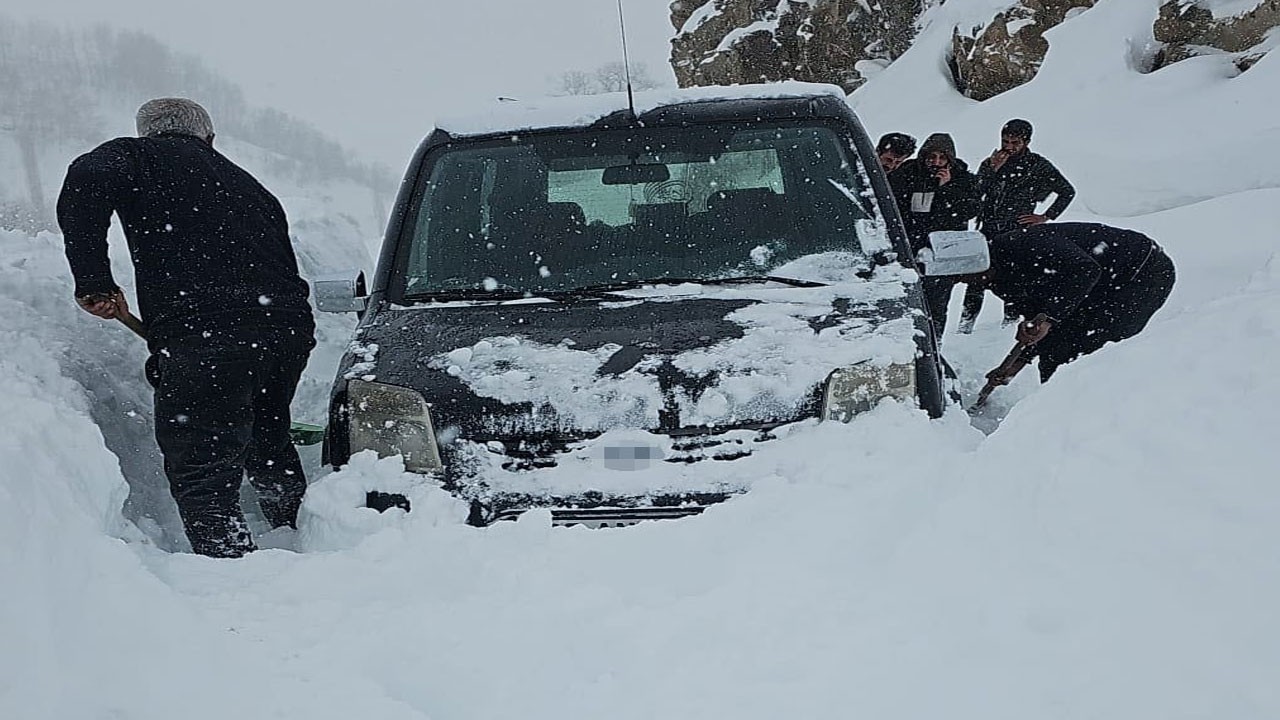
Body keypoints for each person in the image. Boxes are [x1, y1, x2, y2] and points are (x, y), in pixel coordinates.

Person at [57, 98, 316, 558]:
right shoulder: (249, 184)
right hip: (286, 329)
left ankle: (230, 564)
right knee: (266, 434)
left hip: (209, 332)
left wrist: (93, 280)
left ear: (146, 133)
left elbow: (85, 180)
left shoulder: (138, 156)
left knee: (201, 458)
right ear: (209, 138)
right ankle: (300, 529)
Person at [969, 222, 1175, 385]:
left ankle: (1090, 414)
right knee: (1056, 352)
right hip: (1096, 284)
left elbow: (1085, 270)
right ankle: (1055, 410)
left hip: (1141, 271)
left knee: (1097, 350)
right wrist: (1018, 361)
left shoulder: (1023, 244)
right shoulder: (998, 280)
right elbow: (1039, 320)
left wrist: (1049, 319)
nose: (964, 282)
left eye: (964, 276)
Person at [959, 118, 1077, 333]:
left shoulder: (1038, 165)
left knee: (1014, 279)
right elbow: (975, 194)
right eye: (1006, 141)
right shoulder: (992, 162)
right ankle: (965, 326)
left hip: (1018, 231)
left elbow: (1067, 191)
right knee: (977, 277)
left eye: (1015, 143)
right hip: (988, 228)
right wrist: (990, 171)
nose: (1009, 147)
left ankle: (1009, 325)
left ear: (1027, 142)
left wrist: (1045, 216)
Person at [889, 132, 980, 336]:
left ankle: (934, 346)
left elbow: (970, 209)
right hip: (909, 248)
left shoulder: (963, 179)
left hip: (942, 253)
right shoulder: (908, 173)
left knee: (936, 307)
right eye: (931, 157)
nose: (936, 163)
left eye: (942, 157)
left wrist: (946, 189)